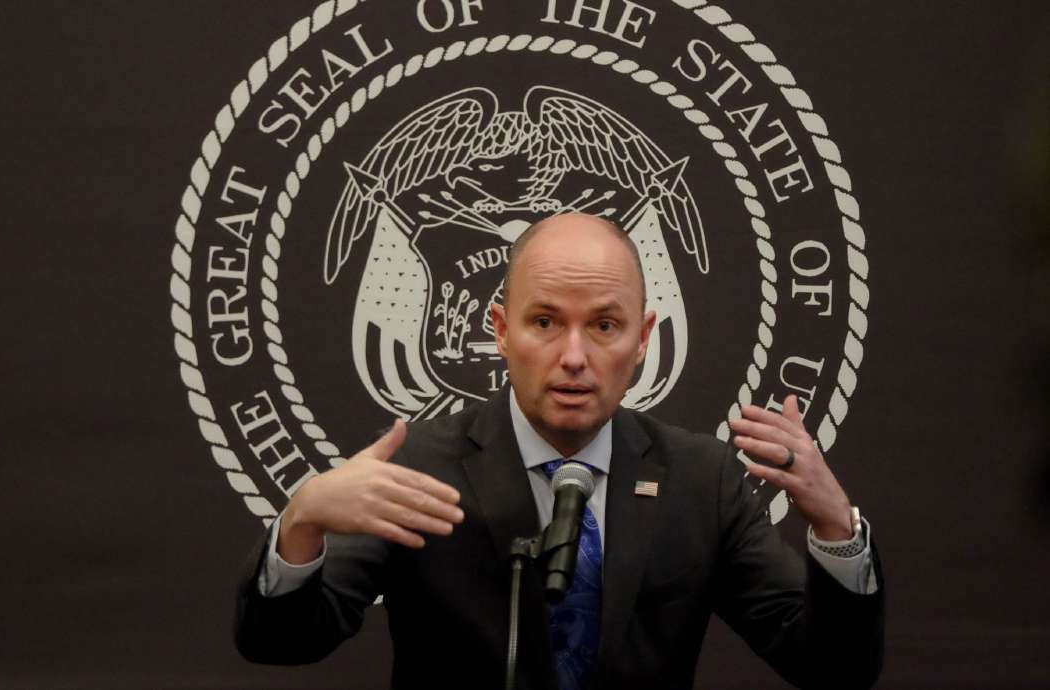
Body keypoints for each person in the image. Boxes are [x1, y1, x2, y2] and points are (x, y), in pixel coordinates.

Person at [235, 213, 884, 690]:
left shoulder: (699, 480)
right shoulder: (419, 467)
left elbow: (833, 668)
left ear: (642, 339)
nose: (574, 357)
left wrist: (836, 528)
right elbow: (279, 644)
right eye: (545, 322)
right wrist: (302, 522)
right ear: (501, 330)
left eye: (604, 325)